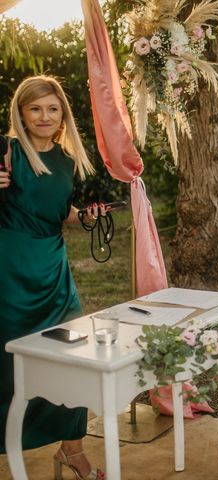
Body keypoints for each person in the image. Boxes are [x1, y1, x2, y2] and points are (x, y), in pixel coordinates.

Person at [0, 76, 105, 480]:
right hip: (10, 273)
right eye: (35, 109)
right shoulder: (6, 152)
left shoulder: (66, 160)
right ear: (21, 114)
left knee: (74, 357)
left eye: (52, 108)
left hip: (54, 272)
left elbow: (61, 213)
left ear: (63, 114)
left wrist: (86, 217)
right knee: (8, 365)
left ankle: (71, 450)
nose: (44, 116)